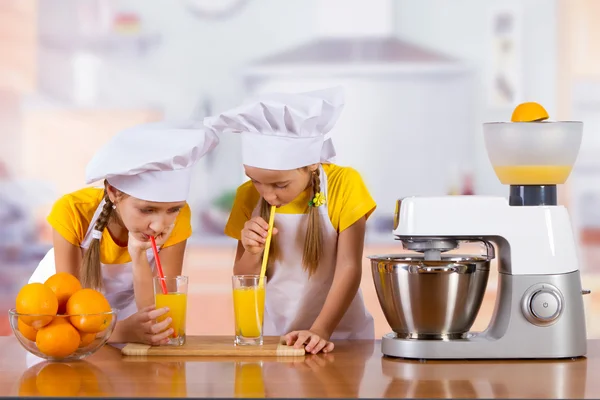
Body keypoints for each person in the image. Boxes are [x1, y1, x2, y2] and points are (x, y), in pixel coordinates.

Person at [204, 86, 376, 354]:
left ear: (311, 165)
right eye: (255, 180)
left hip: (339, 339)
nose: (268, 195)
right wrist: (251, 252)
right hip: (279, 341)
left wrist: (320, 330)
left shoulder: (345, 185)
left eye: (280, 185)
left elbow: (349, 269)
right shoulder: (247, 197)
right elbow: (244, 279)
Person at [28, 120, 219, 345]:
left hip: (128, 326)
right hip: (59, 332)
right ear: (113, 192)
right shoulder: (72, 212)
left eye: (173, 209)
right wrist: (118, 331)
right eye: (147, 209)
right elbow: (69, 317)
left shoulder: (179, 218)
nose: (159, 225)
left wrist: (138, 257)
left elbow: (159, 315)